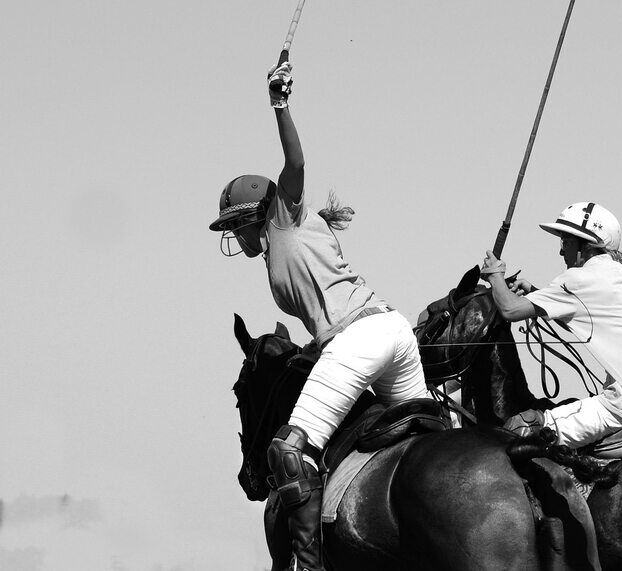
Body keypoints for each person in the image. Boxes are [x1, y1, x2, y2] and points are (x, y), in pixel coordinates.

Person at [209, 61, 431, 571]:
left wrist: (280, 105)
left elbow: (295, 161)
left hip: (362, 341)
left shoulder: (283, 217)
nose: (234, 237)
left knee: (288, 452)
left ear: (253, 217)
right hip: (392, 333)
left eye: (234, 226)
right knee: (426, 438)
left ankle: (309, 567)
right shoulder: (287, 240)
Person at [481, 202, 622, 449]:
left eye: (565, 242)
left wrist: (495, 275)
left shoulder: (578, 279)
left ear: (586, 245)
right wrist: (537, 294)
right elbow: (585, 313)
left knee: (523, 428)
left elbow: (510, 309)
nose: (561, 252)